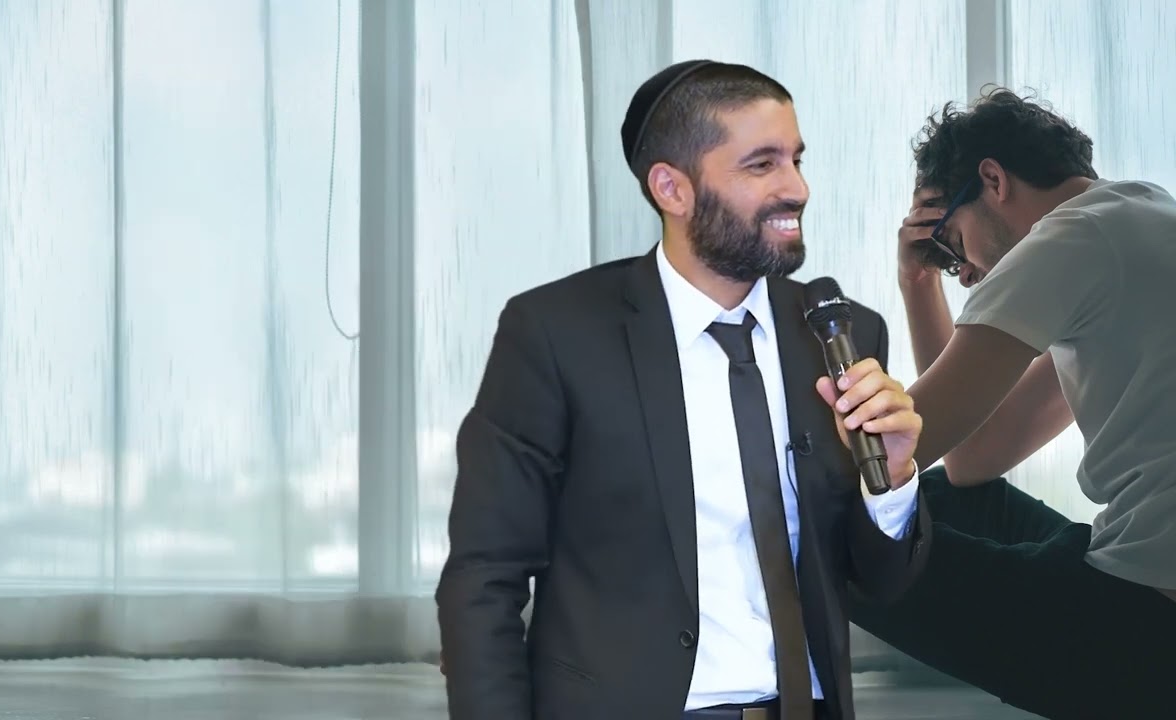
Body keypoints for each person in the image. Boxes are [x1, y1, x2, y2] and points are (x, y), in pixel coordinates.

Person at [435, 60, 931, 720]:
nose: (797, 188)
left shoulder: (840, 333)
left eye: (796, 159)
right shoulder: (556, 334)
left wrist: (890, 484)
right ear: (672, 188)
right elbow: (484, 577)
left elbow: (879, 586)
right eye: (762, 165)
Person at [844, 87, 1176, 719]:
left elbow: (919, 446)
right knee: (951, 500)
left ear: (993, 180)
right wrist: (920, 282)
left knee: (830, 524)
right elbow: (975, 463)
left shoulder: (1069, 237)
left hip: (1149, 631)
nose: (966, 273)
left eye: (953, 244)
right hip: (1154, 593)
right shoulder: (1142, 218)